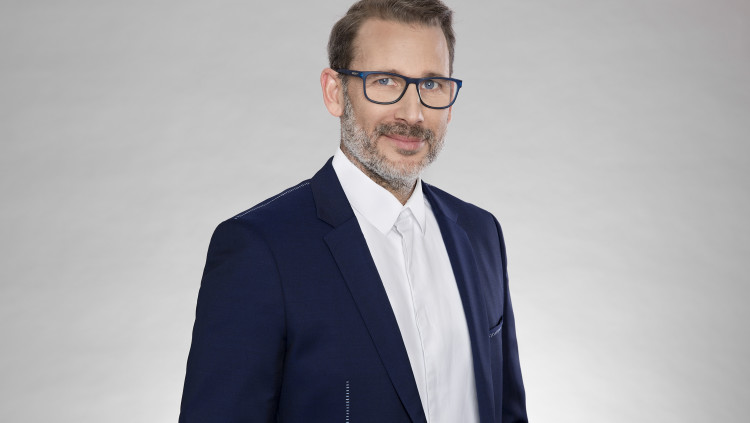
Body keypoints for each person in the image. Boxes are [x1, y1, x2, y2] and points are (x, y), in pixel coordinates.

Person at [178, 0, 527, 422]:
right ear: (334, 92)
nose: (413, 113)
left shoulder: (480, 233)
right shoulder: (260, 249)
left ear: (450, 100)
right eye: (385, 81)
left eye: (432, 84)